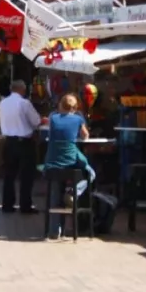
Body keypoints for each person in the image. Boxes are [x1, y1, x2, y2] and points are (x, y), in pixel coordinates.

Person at [42, 94, 92, 230]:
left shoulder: (53, 118)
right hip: (70, 160)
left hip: (51, 163)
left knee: (55, 188)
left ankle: (54, 229)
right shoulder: (78, 119)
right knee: (90, 172)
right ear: (75, 107)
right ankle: (73, 192)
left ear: (60, 105)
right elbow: (85, 135)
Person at [0, 79, 43, 213]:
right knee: (26, 176)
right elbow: (36, 121)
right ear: (22, 89)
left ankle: (7, 204)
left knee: (9, 175)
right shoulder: (24, 103)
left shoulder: (3, 103)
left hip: (8, 142)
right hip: (24, 142)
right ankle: (25, 205)